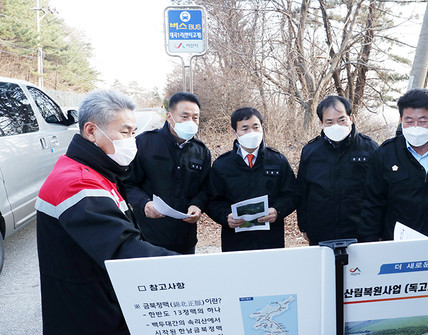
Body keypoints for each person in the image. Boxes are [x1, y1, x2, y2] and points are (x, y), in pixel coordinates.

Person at [35, 90, 177, 334]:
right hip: (89, 314)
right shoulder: (78, 183)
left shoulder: (95, 171)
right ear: (91, 131)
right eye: (124, 132)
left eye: (133, 132)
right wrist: (195, 269)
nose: (131, 140)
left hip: (97, 301)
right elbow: (123, 249)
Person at [359, 88, 428, 241]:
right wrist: (369, 245)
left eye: (423, 121)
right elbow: (372, 206)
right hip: (397, 245)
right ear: (401, 119)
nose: (415, 127)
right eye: (409, 121)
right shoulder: (385, 154)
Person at [123, 92, 211, 254]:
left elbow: (205, 188)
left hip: (185, 238)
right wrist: (144, 204)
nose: (190, 122)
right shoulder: (144, 143)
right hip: (148, 237)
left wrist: (197, 205)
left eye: (195, 117)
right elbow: (126, 183)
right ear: (169, 116)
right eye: (184, 116)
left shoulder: (201, 151)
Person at [206, 107, 298, 252]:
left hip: (271, 239)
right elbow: (211, 200)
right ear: (234, 132)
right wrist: (225, 216)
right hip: (235, 241)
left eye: (256, 127)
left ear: (262, 127)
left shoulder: (277, 161)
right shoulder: (222, 165)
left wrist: (277, 211)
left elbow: (292, 194)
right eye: (245, 128)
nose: (251, 133)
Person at [297, 96, 378, 245]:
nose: (336, 125)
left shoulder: (369, 148)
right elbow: (302, 192)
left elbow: (379, 192)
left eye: (341, 120)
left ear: (351, 118)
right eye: (329, 122)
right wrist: (304, 226)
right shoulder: (310, 151)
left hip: (361, 232)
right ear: (321, 124)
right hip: (321, 231)